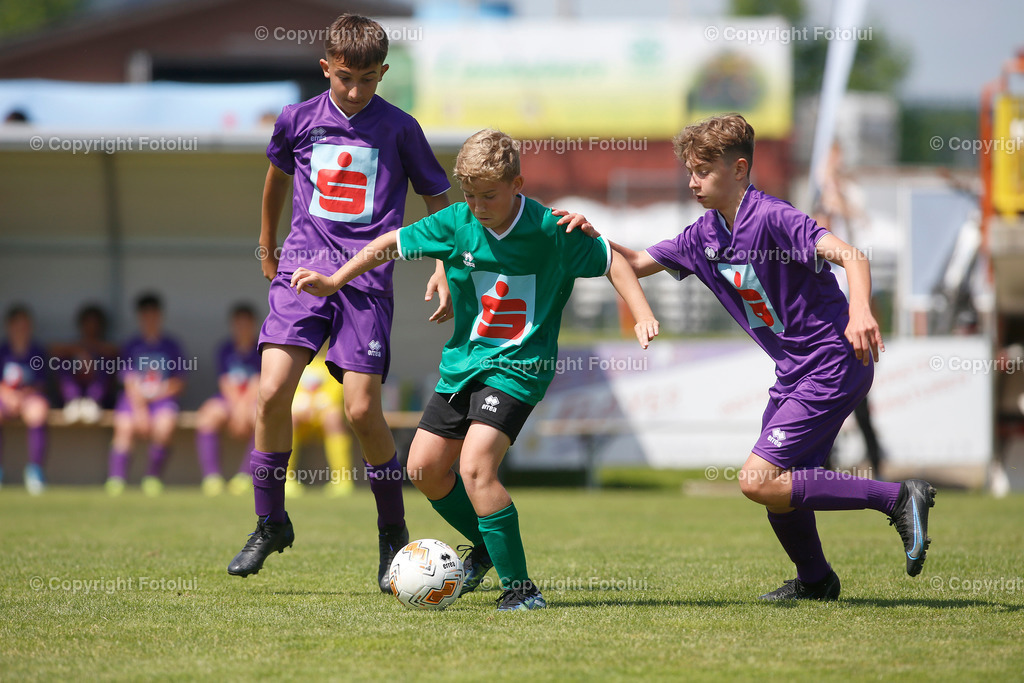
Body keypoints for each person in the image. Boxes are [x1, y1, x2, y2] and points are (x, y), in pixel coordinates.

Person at [291, 128, 660, 610]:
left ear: (517, 185)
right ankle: (487, 544)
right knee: (423, 468)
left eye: (490, 195)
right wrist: (335, 280)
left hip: (520, 368)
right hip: (464, 365)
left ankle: (522, 591)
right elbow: (388, 244)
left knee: (475, 466)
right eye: (470, 194)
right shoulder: (455, 223)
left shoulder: (552, 229)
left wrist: (642, 312)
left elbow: (614, 261)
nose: (479, 204)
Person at [599, 114, 936, 600]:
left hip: (833, 361)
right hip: (795, 374)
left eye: (703, 171)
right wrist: (581, 237)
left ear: (739, 170)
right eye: (689, 171)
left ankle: (899, 497)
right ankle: (816, 581)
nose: (692, 182)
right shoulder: (702, 237)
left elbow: (853, 256)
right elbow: (629, 263)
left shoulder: (773, 217)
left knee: (757, 480)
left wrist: (860, 310)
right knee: (781, 490)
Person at [227, 13, 454, 592]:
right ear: (326, 67)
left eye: (368, 80)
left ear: (383, 73)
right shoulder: (297, 119)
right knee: (272, 390)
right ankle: (270, 520)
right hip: (302, 269)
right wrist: (266, 245)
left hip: (366, 281)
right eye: (345, 78)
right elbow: (275, 180)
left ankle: (392, 533)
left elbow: (438, 201)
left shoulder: (402, 128)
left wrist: (442, 265)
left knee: (359, 411)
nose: (355, 91)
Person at [105, 293, 186, 497]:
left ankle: (152, 478)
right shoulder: (132, 345)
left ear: (160, 316)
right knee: (124, 425)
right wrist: (140, 409)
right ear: (139, 317)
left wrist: (157, 395)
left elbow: (179, 382)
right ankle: (116, 480)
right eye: (145, 315)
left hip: (162, 401)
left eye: (153, 314)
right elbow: (128, 380)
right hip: (134, 400)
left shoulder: (171, 345)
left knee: (165, 425)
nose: (150, 319)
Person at [194, 304, 261, 497]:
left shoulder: (261, 348)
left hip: (252, 401)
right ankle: (212, 477)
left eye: (246, 323)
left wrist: (241, 408)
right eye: (237, 324)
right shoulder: (224, 349)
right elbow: (224, 381)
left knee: (261, 418)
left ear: (253, 324)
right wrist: (236, 407)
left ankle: (245, 476)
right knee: (207, 416)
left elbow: (258, 381)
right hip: (228, 400)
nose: (242, 328)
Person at [286, 349, 355, 499]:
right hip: (300, 414)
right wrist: (303, 405)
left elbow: (336, 394)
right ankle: (286, 478)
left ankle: (342, 480)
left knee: (333, 417)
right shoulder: (296, 356)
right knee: (289, 418)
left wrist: (315, 405)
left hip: (323, 414)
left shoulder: (335, 357)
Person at [0, 305, 50, 494]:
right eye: (18, 325)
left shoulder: (37, 351)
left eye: (25, 325)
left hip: (28, 397)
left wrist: (22, 396)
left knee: (39, 410)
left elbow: (40, 382)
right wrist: (7, 395)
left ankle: (35, 471)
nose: (22, 329)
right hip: (4, 397)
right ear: (9, 326)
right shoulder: (3, 350)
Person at [50, 304, 119, 424]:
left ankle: (93, 401)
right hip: (75, 394)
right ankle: (72, 400)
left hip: (101, 400)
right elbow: (53, 349)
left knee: (107, 362)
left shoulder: (105, 347)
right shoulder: (74, 345)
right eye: (88, 322)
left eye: (94, 323)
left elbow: (116, 351)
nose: (91, 326)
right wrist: (80, 351)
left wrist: (90, 350)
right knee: (62, 361)